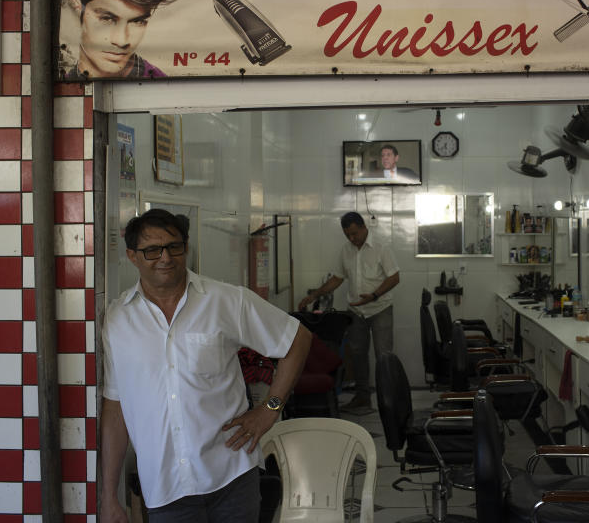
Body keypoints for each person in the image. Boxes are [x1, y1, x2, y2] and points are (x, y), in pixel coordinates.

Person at [100, 208, 312, 523]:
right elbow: (115, 411)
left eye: (174, 246)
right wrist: (108, 496)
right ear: (132, 256)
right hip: (165, 489)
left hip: (231, 477)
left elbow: (298, 339)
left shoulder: (225, 300)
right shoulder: (117, 321)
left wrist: (270, 408)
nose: (165, 257)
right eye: (152, 250)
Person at [297, 212, 400, 412]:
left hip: (380, 308)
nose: (352, 239)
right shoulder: (346, 250)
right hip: (356, 311)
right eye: (348, 235)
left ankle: (390, 399)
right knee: (358, 355)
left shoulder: (381, 247)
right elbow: (337, 278)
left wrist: (375, 295)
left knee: (384, 356)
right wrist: (314, 295)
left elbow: (394, 277)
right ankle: (363, 397)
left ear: (363, 227)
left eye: (354, 234)